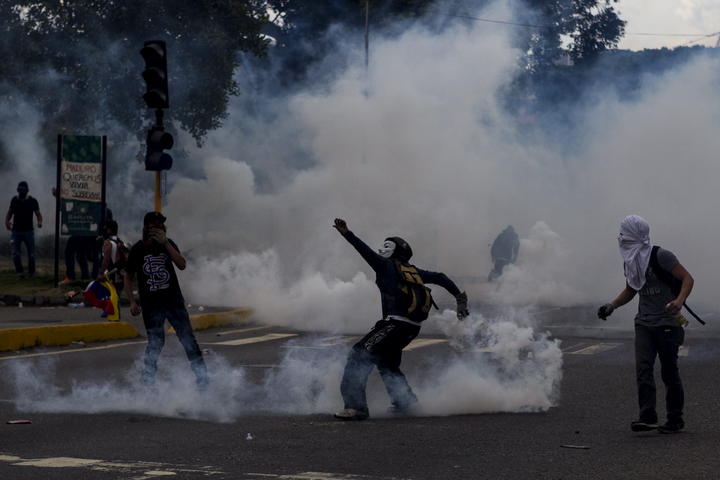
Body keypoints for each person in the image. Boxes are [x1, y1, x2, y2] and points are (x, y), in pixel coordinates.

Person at [332, 218, 469, 420]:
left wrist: (347, 233)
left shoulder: (386, 266)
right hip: (412, 328)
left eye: (387, 246)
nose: (381, 249)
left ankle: (356, 407)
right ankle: (406, 403)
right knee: (386, 362)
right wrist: (460, 298)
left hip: (394, 323)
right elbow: (440, 277)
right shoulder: (415, 271)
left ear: (394, 251)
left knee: (359, 355)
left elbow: (364, 251)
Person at [597, 215, 693, 434]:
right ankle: (648, 416)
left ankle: (675, 419)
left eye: (624, 233)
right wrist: (612, 305)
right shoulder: (630, 260)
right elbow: (632, 289)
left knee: (669, 372)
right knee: (643, 369)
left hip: (667, 323)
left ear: (635, 234)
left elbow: (688, 279)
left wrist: (679, 301)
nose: (620, 238)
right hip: (644, 323)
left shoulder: (662, 256)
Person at [124, 211, 208, 390]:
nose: (159, 227)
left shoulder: (168, 244)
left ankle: (202, 379)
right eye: (155, 224)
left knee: (187, 339)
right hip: (151, 305)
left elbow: (182, 264)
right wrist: (132, 301)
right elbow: (128, 276)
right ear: (147, 227)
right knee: (155, 342)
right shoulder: (138, 249)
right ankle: (148, 381)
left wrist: (166, 244)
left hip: (173, 302)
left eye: (161, 224)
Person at [5, 181, 42, 278]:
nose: (21, 191)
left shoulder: (32, 201)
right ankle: (20, 272)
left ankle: (31, 273)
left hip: (28, 231)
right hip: (16, 231)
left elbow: (38, 214)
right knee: (15, 253)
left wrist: (39, 222)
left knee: (31, 254)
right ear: (17, 190)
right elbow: (10, 212)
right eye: (20, 189)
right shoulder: (14, 200)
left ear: (27, 190)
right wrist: (7, 221)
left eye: (23, 189)